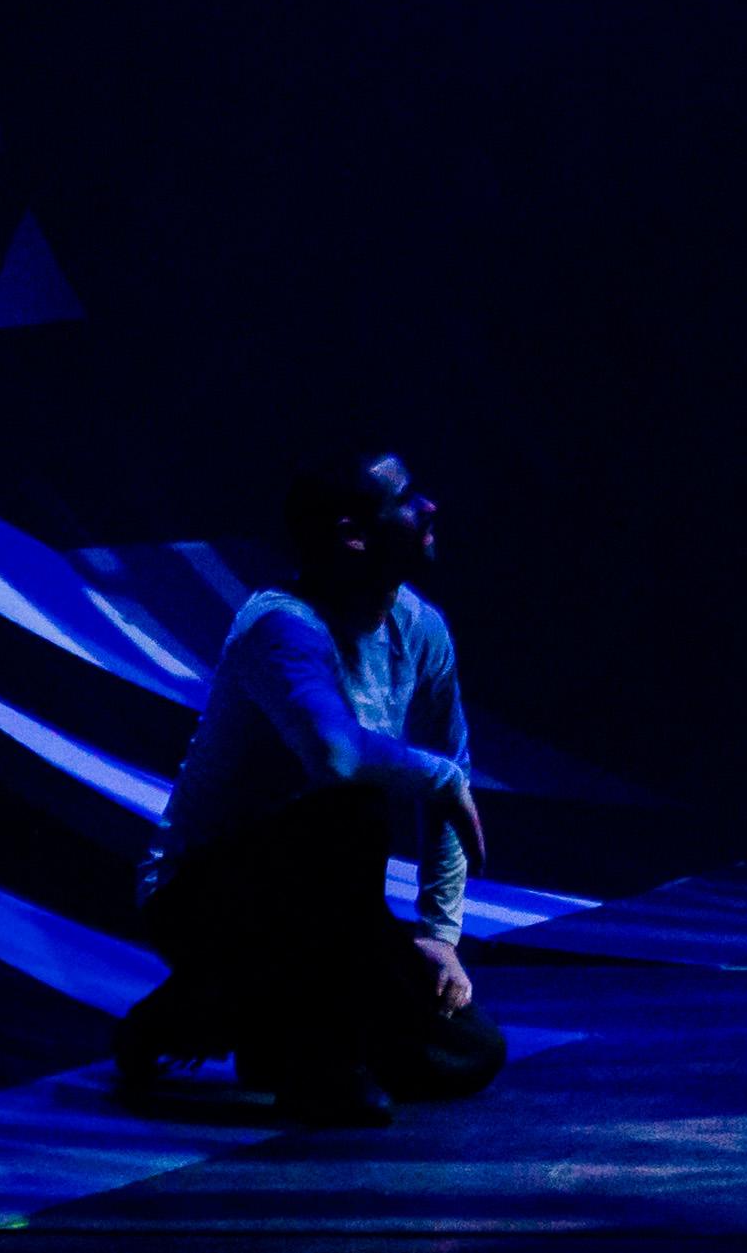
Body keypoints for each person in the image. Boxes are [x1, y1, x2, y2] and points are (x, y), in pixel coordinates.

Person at [118, 452, 505, 1125]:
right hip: (207, 896)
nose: (430, 506)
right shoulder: (281, 626)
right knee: (350, 807)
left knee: (467, 1053)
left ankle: (261, 1029)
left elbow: (452, 771)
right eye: (406, 498)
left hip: (331, 909)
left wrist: (440, 933)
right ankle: (258, 1042)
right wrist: (441, 778)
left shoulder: (420, 628)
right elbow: (338, 754)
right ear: (354, 534)